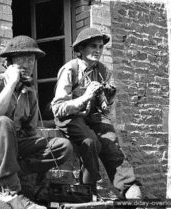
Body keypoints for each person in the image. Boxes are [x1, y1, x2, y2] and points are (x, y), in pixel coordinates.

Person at [0, 35, 73, 208]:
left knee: (62, 146)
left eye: (31, 60)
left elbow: (31, 132)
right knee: (3, 122)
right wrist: (11, 83)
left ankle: (5, 174)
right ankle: (12, 192)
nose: (28, 64)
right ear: (8, 63)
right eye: (22, 58)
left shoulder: (29, 92)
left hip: (11, 149)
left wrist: (39, 145)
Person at [51, 28, 142, 200]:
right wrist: (85, 96)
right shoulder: (70, 69)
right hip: (69, 117)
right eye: (93, 46)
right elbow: (58, 108)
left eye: (101, 47)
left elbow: (104, 109)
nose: (98, 51)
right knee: (90, 141)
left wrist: (109, 98)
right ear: (81, 49)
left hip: (91, 117)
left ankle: (129, 186)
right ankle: (88, 188)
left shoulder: (102, 71)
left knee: (110, 142)